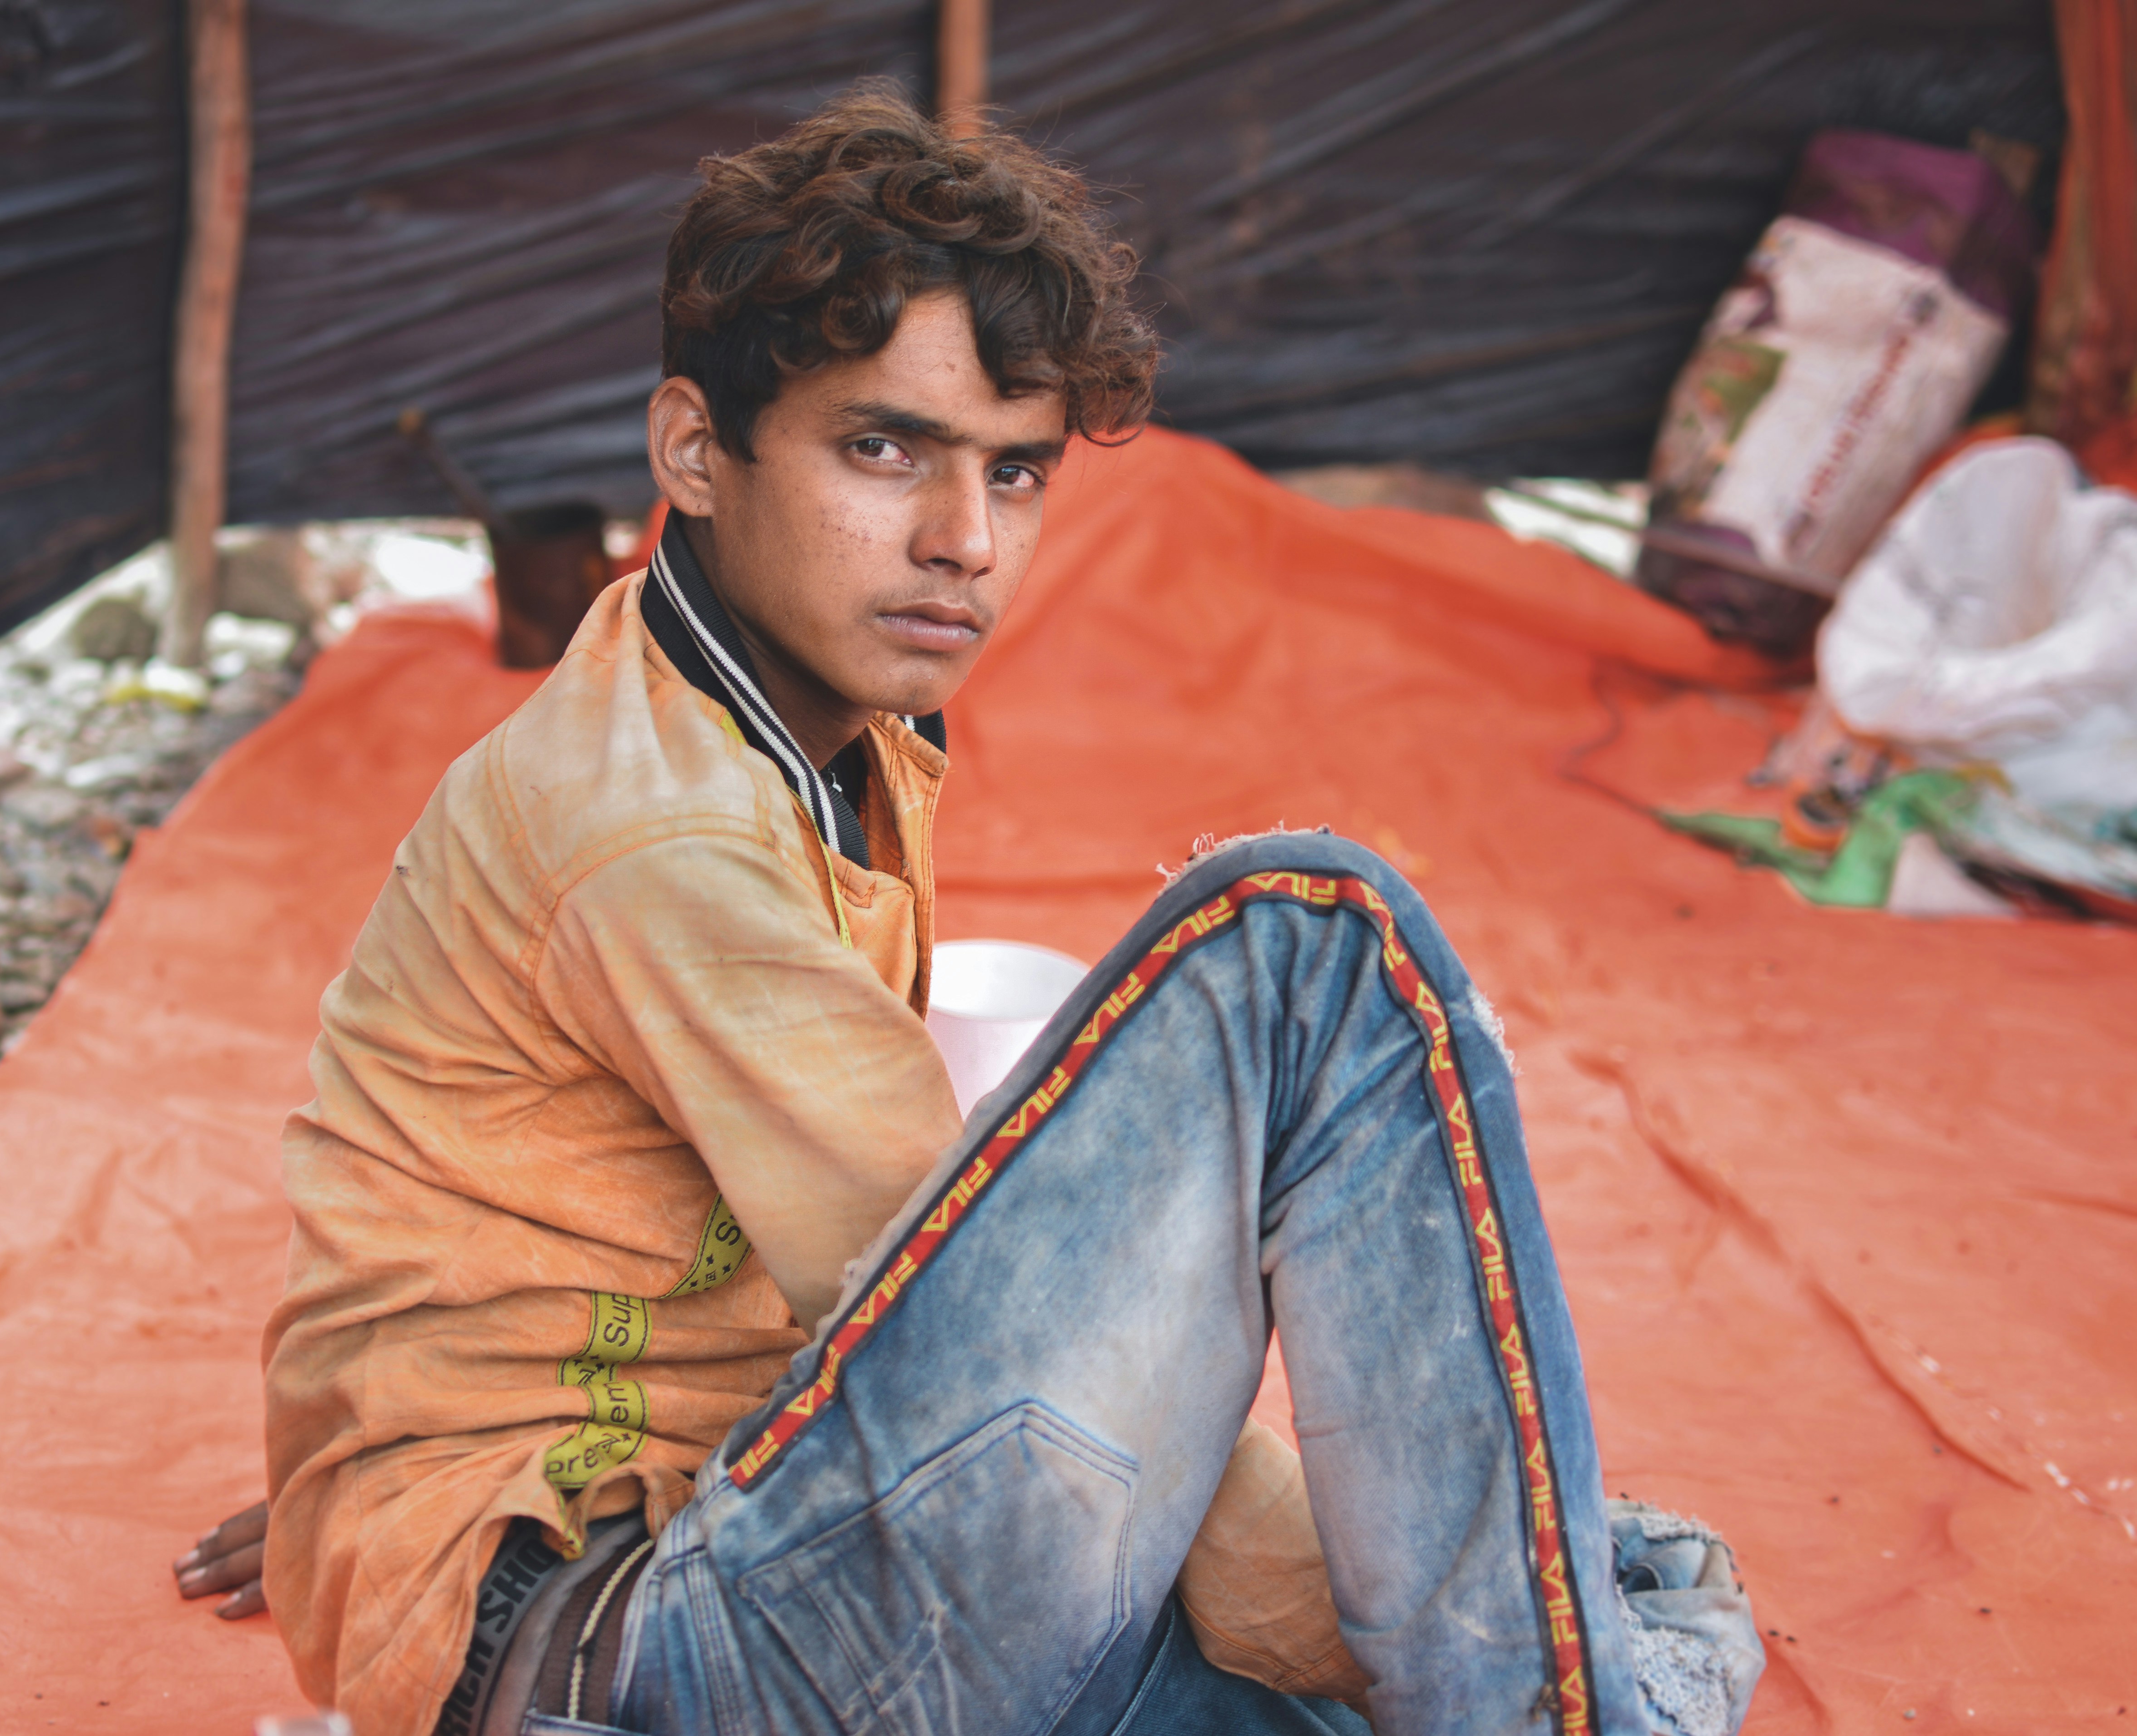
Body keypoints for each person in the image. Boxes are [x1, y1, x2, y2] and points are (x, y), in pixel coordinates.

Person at [176, 85, 1763, 1736]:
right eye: (884, 449)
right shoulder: (655, 830)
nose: (963, 542)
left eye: (1014, 475)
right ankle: (1546, 1707)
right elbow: (924, 1290)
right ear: (693, 452)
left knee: (1490, 1580)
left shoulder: (808, 710)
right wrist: (1379, 1632)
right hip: (639, 1639)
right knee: (1306, 947)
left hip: (718, 1541)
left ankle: (1496, 1644)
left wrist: (364, 1496)